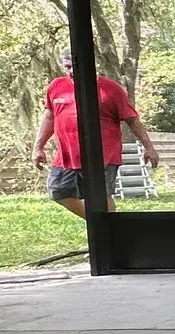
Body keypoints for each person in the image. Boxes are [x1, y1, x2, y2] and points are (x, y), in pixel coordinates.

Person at [32, 51, 160, 216]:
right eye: (68, 67)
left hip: (103, 156)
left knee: (100, 198)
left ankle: (107, 231)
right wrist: (38, 147)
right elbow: (50, 117)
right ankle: (101, 225)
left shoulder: (111, 89)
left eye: (76, 67)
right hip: (67, 156)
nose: (72, 71)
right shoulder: (56, 86)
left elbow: (132, 120)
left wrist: (149, 147)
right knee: (58, 191)